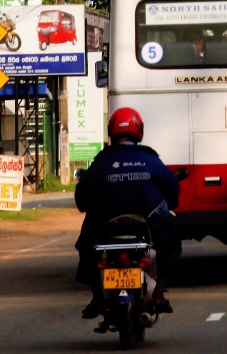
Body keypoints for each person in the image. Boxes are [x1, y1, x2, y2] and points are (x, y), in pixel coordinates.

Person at [74, 107, 179, 324]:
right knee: (170, 244)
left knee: (85, 245)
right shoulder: (150, 158)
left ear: (111, 131)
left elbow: (82, 198)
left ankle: (96, 296)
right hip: (147, 223)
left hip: (106, 226)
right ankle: (159, 293)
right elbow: (172, 187)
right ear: (139, 130)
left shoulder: (102, 161)